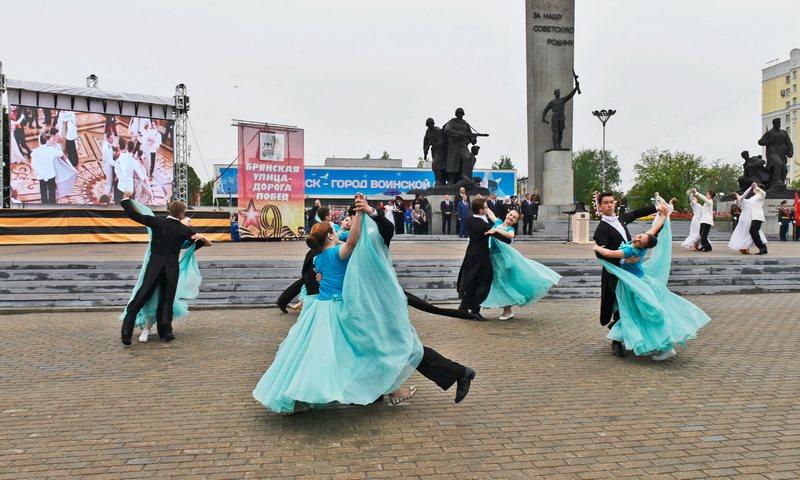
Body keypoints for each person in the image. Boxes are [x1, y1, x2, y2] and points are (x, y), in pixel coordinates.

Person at [253, 207, 421, 413]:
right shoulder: (335, 254)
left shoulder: (318, 257)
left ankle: (296, 395)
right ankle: (392, 390)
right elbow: (352, 242)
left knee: (312, 355)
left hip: (319, 310)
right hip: (338, 309)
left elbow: (347, 244)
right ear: (330, 235)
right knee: (366, 348)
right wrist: (359, 214)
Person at [592, 205, 710, 361]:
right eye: (639, 236)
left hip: (636, 285)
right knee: (635, 313)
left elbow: (609, 253)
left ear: (643, 246)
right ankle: (626, 335)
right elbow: (654, 229)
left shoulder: (630, 251)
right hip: (638, 282)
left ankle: (663, 346)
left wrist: (595, 247)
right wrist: (662, 216)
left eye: (639, 240)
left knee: (643, 314)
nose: (636, 238)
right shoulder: (642, 243)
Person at [119, 192, 207, 345]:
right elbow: (200, 241)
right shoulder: (183, 230)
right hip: (171, 269)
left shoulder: (157, 223)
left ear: (169, 211)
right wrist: (200, 238)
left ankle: (126, 331)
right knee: (167, 300)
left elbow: (134, 215)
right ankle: (165, 331)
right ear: (181, 214)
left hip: (154, 267)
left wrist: (126, 200)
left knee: (141, 296)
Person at [593, 192, 657, 357]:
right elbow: (600, 253)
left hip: (628, 273)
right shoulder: (601, 228)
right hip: (614, 273)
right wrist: (623, 261)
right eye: (605, 203)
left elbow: (636, 213)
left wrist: (656, 208)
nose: (609, 205)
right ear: (600, 206)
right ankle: (616, 342)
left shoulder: (620, 219)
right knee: (620, 304)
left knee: (631, 303)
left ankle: (622, 332)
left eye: (611, 202)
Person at [481, 210, 561, 320]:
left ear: (515, 222)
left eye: (514, 218)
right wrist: (484, 204)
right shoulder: (498, 222)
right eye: (510, 215)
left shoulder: (509, 229)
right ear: (506, 214)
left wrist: (496, 230)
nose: (510, 218)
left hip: (502, 259)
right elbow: (490, 213)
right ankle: (504, 310)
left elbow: (510, 235)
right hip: (492, 257)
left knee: (503, 283)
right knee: (497, 283)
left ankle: (507, 311)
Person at [457, 198, 513, 320]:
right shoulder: (481, 223)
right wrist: (506, 237)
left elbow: (492, 223)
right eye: (486, 207)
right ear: (481, 210)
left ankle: (464, 306)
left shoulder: (470, 218)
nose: (487, 209)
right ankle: (475, 310)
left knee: (473, 279)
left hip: (471, 252)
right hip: (480, 255)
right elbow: (502, 237)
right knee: (485, 280)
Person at [728, 184, 768, 255]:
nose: (754, 189)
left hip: (758, 216)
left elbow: (764, 193)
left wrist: (756, 187)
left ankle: (762, 248)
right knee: (755, 232)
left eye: (755, 188)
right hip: (753, 217)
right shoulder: (753, 197)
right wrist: (738, 197)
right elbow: (743, 198)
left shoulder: (761, 195)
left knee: (753, 231)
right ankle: (763, 248)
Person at [30, 134, 59, 204]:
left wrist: (39, 172)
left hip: (41, 176)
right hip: (51, 174)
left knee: (43, 192)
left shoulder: (35, 152)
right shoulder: (51, 150)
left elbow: (33, 166)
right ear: (46, 141)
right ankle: (52, 205)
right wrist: (55, 145)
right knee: (52, 191)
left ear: (39, 141)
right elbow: (60, 153)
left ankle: (44, 205)